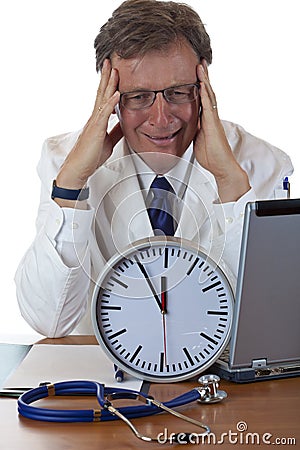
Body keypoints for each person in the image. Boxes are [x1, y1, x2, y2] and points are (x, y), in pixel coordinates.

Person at [15, 0, 293, 338]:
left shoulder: (258, 163)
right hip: (105, 377)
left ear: (204, 85)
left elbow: (266, 321)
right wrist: (72, 186)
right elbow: (49, 320)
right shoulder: (65, 161)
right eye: (138, 97)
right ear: (110, 96)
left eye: (178, 93)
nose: (161, 119)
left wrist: (229, 182)